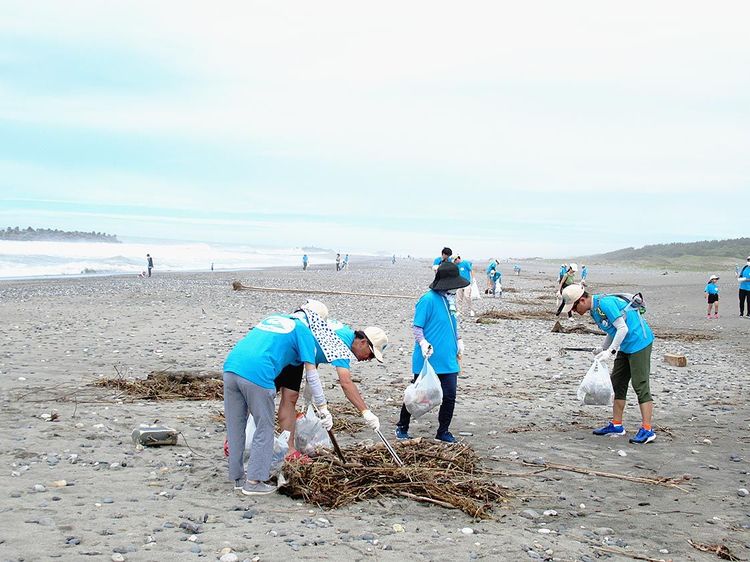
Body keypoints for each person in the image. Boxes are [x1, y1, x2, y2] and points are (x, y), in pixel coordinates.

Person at [222, 307, 339, 495]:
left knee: (235, 424)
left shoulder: (274, 319)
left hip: (231, 368)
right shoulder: (304, 331)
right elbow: (312, 374)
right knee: (264, 426)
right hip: (258, 373)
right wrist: (323, 408)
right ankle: (254, 482)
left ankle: (237, 478)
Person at [275, 302, 388, 458]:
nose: (368, 359)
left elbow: (316, 351)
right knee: (265, 394)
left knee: (290, 397)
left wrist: (308, 393)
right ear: (363, 342)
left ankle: (288, 450)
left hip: (297, 357)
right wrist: (366, 412)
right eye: (371, 355)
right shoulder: (342, 343)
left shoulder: (343, 332)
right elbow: (346, 383)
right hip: (286, 349)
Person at [558, 284, 656, 445]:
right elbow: (612, 330)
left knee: (641, 385)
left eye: (574, 308)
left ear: (582, 300)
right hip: (625, 346)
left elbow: (622, 329)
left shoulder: (605, 304)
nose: (574, 312)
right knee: (617, 383)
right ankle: (617, 425)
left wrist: (610, 352)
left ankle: (647, 430)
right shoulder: (594, 311)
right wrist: (602, 349)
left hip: (639, 342)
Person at [396, 261, 469, 443]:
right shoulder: (427, 300)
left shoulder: (449, 300)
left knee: (449, 395)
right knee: (418, 394)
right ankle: (402, 426)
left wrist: (458, 339)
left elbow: (452, 325)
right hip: (428, 358)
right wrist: (423, 342)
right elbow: (417, 326)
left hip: (448, 359)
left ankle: (443, 431)